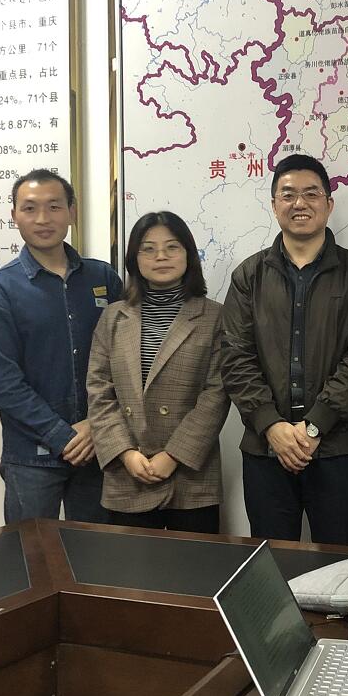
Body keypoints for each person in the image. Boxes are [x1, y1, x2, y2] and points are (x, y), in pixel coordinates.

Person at [219, 154, 348, 545]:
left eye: (311, 193)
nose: (299, 203)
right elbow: (235, 357)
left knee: (339, 565)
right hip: (265, 449)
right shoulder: (248, 276)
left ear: (329, 203)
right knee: (272, 564)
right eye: (288, 195)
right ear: (274, 205)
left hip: (337, 449)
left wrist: (314, 425)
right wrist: (271, 425)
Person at [0, 169, 122, 525]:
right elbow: (2, 381)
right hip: (31, 456)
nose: (43, 218)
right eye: (30, 208)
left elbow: (124, 362)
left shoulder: (103, 277)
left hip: (99, 447)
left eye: (54, 206)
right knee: (31, 553)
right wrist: (63, 435)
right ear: (14, 216)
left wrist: (95, 425)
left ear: (72, 211)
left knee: (98, 553)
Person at [87, 212, 229, 532]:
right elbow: (99, 391)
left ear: (188, 254)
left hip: (191, 475)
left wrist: (173, 455)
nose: (160, 256)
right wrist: (125, 453)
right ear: (134, 259)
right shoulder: (113, 317)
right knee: (130, 564)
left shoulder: (214, 316)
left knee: (196, 563)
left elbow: (217, 394)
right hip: (128, 474)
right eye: (148, 249)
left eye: (172, 247)